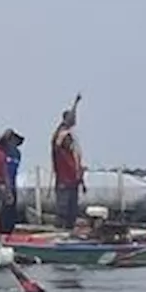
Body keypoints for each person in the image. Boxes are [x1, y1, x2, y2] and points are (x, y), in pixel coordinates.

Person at [52, 95, 85, 230]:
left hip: (73, 182)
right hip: (64, 183)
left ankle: (69, 229)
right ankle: (61, 229)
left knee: (72, 210)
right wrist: (75, 104)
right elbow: (67, 124)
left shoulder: (73, 153)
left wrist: (82, 180)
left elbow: (78, 166)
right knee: (63, 209)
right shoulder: (59, 149)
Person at [0, 129, 25, 234]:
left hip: (12, 186)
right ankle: (0, 233)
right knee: (1, 212)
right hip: (1, 185)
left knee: (11, 213)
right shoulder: (1, 150)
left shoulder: (17, 153)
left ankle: (8, 233)